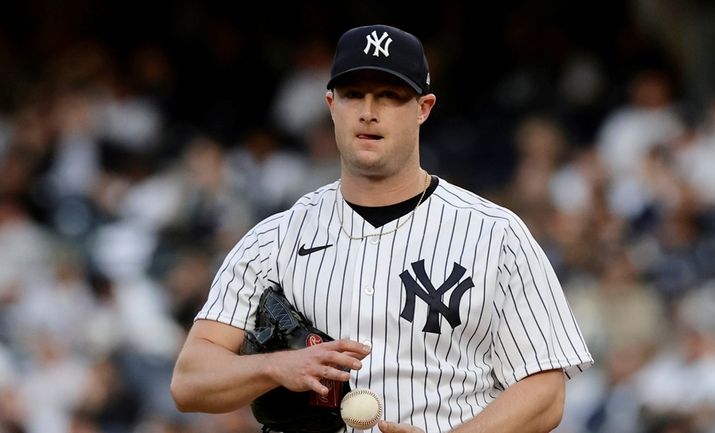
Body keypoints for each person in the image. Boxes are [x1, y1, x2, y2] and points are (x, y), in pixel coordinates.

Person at [170, 24, 593, 433]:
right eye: (354, 95)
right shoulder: (273, 240)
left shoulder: (495, 235)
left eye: (389, 96)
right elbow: (190, 382)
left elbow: (545, 393)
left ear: (423, 108)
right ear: (331, 104)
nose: (369, 112)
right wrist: (275, 366)